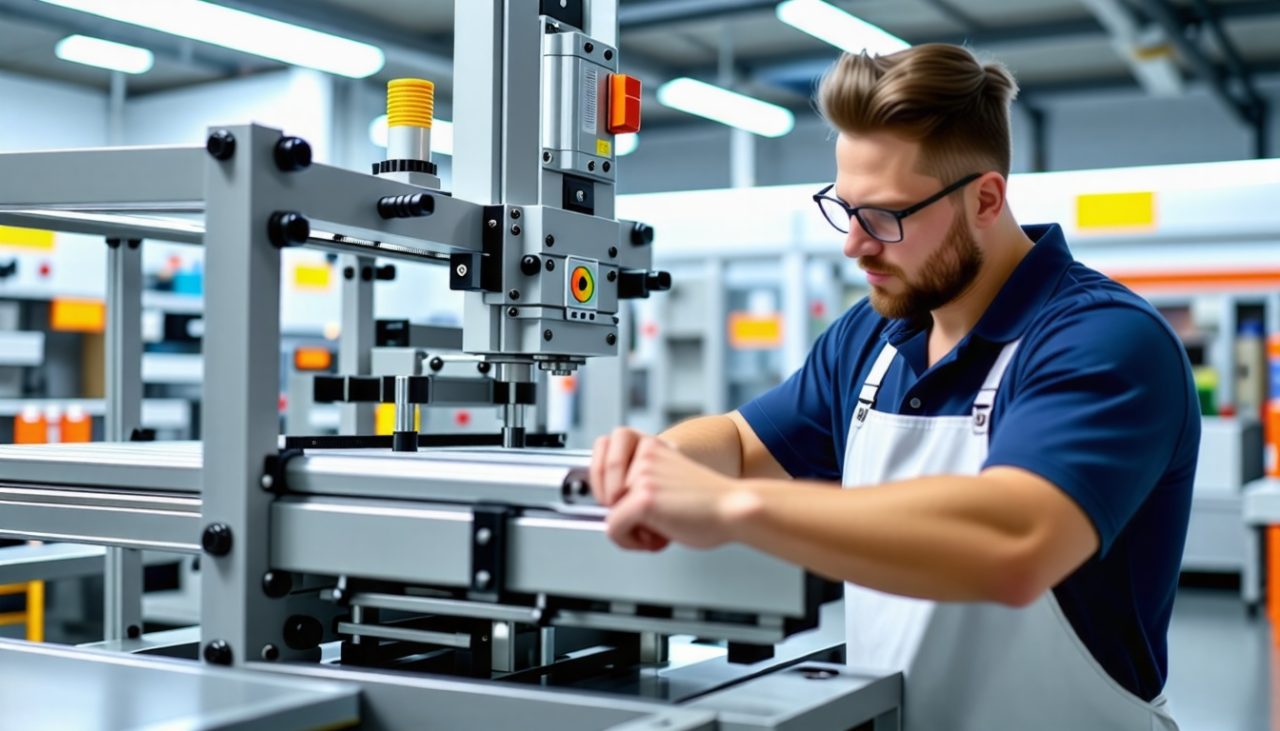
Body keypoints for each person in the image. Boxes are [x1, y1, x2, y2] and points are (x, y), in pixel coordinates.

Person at [589, 43, 1197, 730]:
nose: (854, 243)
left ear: (986, 199)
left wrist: (733, 506)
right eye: (844, 208)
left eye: (884, 215)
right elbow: (737, 437)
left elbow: (1015, 542)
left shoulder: (1104, 340)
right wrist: (656, 462)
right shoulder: (870, 340)